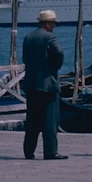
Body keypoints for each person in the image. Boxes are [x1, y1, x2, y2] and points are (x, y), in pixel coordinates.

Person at [22, 9, 67, 160]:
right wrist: (54, 66)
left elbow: (25, 59)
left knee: (32, 121)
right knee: (50, 121)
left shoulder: (28, 37)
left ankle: (29, 151)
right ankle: (50, 152)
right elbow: (59, 52)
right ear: (47, 24)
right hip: (48, 85)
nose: (54, 26)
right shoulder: (49, 37)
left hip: (31, 84)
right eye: (53, 24)